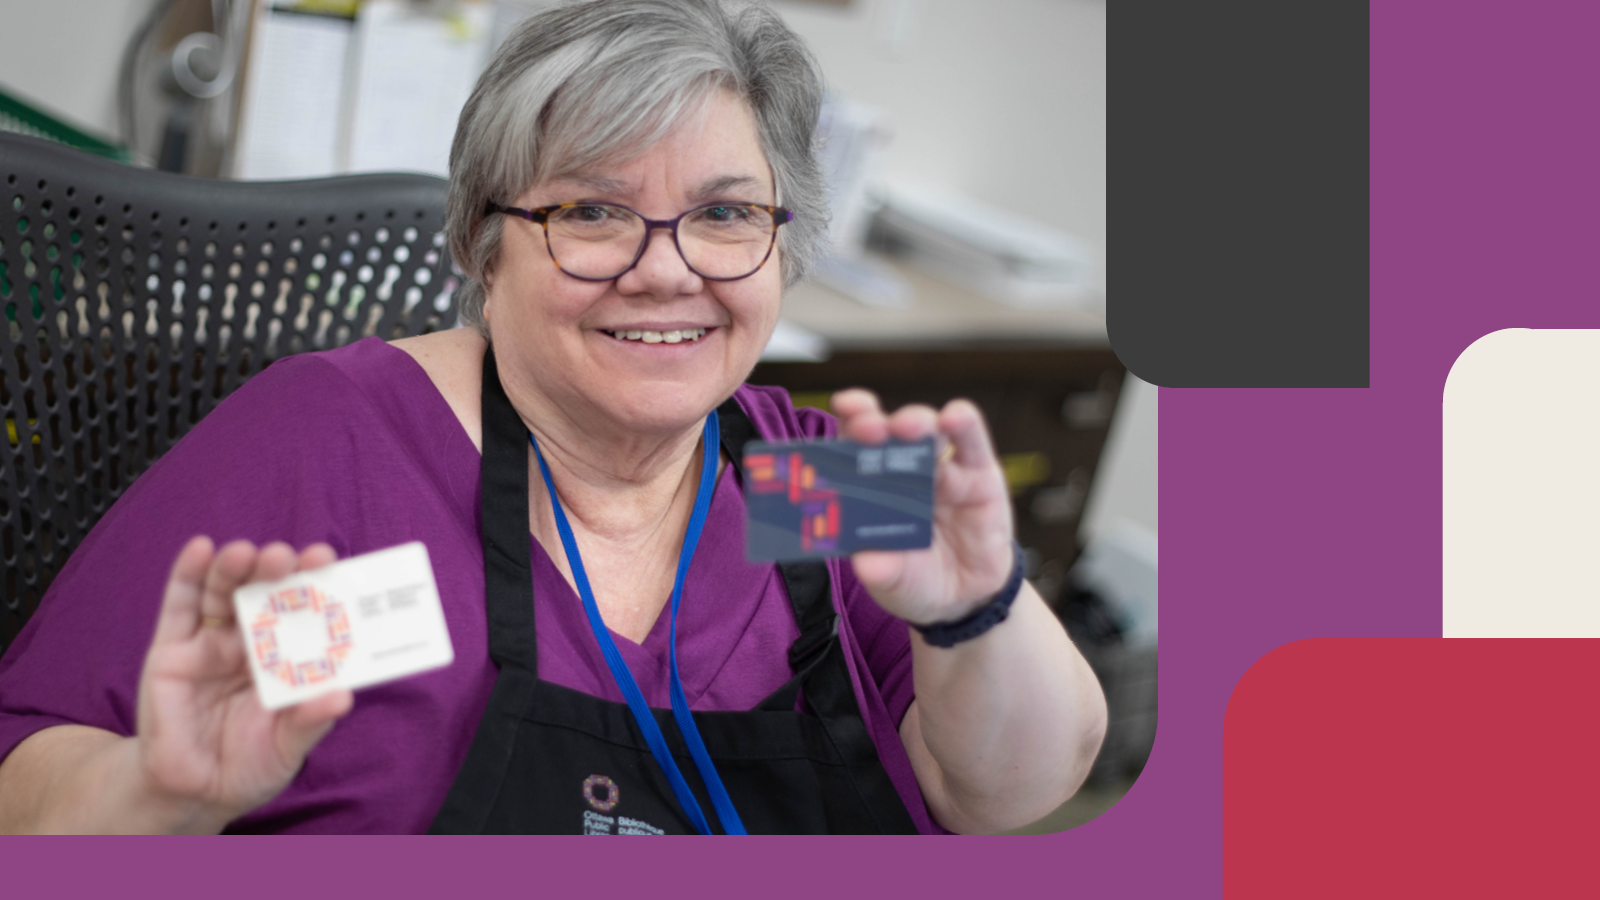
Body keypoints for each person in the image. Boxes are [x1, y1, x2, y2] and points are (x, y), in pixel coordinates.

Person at [0, 0, 1105, 834]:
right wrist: (160, 791)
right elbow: (26, 786)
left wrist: (979, 615)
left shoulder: (807, 477)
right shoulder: (339, 452)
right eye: (592, 210)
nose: (664, 271)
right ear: (485, 243)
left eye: (723, 214)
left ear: (784, 241)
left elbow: (1006, 793)